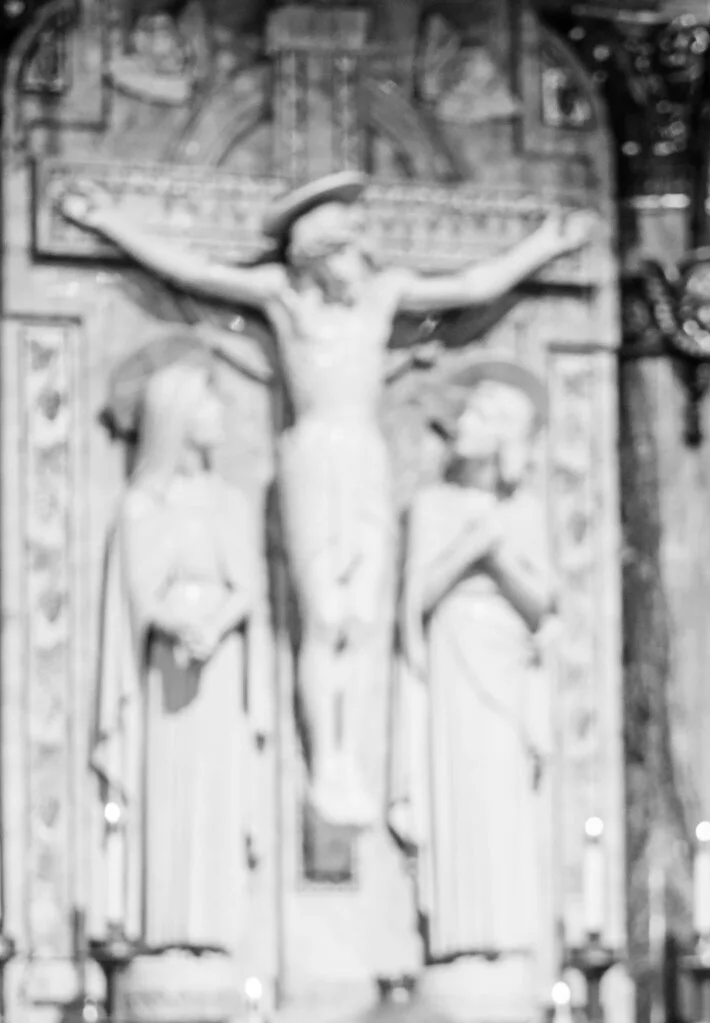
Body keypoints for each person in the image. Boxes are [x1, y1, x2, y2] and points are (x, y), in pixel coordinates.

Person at [57, 171, 592, 826]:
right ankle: (328, 760)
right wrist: (109, 223)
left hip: (365, 455)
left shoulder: (383, 297)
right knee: (326, 615)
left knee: (363, 620)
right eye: (347, 245)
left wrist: (545, 246)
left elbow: (472, 286)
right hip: (312, 455)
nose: (360, 256)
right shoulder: (285, 301)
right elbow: (194, 271)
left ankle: (354, 760)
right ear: (317, 253)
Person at [90, 335, 270, 952]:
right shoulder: (145, 503)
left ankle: (215, 931)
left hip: (218, 665)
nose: (220, 417)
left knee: (218, 789)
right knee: (172, 793)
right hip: (169, 667)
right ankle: (168, 929)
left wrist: (215, 624)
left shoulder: (230, 503)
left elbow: (248, 587)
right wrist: (176, 621)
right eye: (208, 404)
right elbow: (140, 593)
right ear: (178, 416)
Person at [391, 359, 556, 963]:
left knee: (504, 796)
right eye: (468, 409)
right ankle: (459, 936)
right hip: (453, 664)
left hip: (504, 667)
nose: (465, 422)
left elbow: (543, 604)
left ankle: (507, 938)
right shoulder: (434, 505)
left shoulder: (525, 513)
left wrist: (500, 556)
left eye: (483, 413)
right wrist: (470, 548)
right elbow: (416, 597)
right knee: (458, 791)